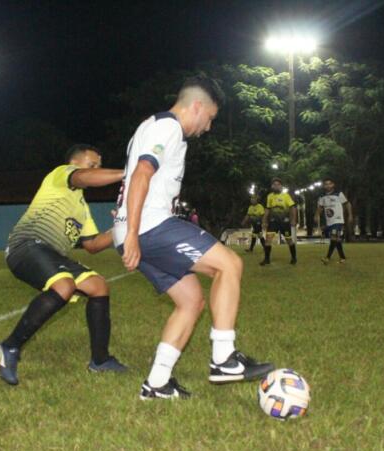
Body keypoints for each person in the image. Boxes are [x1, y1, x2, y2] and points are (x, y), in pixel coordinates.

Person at [113, 75, 274, 400]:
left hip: (136, 229)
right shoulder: (167, 127)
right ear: (197, 106)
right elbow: (142, 173)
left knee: (191, 302)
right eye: (210, 118)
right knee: (229, 264)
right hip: (150, 226)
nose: (208, 127)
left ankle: (157, 384)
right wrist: (133, 232)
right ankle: (224, 359)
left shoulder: (152, 126)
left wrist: (126, 232)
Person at [0, 144, 128, 386]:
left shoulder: (82, 208)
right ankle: (8, 347)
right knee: (63, 286)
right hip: (26, 245)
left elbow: (93, 245)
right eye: (92, 165)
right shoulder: (61, 175)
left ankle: (100, 360)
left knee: (98, 286)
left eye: (99, 165)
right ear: (75, 164)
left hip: (51, 253)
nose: (96, 170)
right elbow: (84, 177)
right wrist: (128, 172)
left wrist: (121, 227)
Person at [260, 178, 298, 265]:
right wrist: (264, 220)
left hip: (284, 222)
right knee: (268, 239)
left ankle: (294, 258)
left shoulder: (286, 196)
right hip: (273, 222)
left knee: (289, 240)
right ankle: (267, 259)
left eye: (278, 184)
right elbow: (268, 209)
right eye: (274, 184)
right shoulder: (270, 196)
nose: (276, 186)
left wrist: (293, 220)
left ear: (281, 186)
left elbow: (293, 208)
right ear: (272, 186)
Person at [316, 178, 353, 264]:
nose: (328, 185)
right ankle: (343, 258)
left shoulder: (338, 194)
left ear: (333, 185)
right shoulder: (322, 197)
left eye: (330, 184)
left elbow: (347, 204)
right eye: (326, 184)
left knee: (333, 237)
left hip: (338, 220)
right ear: (324, 186)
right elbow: (320, 207)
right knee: (337, 239)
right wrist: (316, 215)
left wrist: (350, 215)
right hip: (329, 221)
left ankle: (327, 258)